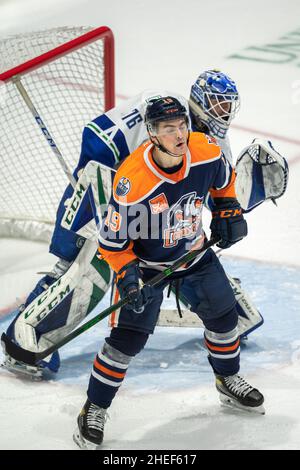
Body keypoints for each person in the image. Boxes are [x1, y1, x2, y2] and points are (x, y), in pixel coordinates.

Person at [2, 70, 287, 378]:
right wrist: (114, 192)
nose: (223, 113)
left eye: (228, 106)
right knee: (92, 261)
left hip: (158, 209)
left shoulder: (213, 141)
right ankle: (27, 338)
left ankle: (227, 313)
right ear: (199, 101)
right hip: (109, 186)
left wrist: (238, 203)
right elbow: (97, 138)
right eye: (218, 105)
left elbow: (221, 193)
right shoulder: (160, 107)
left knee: (182, 247)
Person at [73, 96, 264, 450]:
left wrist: (226, 211)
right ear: (152, 134)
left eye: (182, 126)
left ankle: (228, 380)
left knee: (224, 320)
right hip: (147, 268)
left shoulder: (204, 150)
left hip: (193, 256)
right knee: (126, 342)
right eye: (168, 128)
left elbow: (224, 181)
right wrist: (129, 277)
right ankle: (93, 407)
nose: (179, 134)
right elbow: (113, 244)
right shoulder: (134, 182)